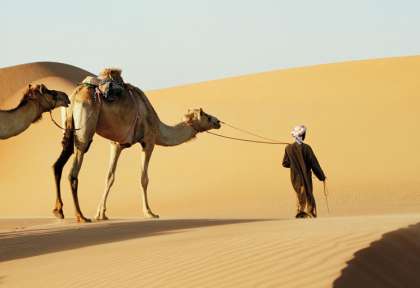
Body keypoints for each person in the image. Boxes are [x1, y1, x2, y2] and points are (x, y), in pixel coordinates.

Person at [282, 125, 326, 218]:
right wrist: (321, 176)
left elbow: (285, 163)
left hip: (295, 178)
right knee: (307, 193)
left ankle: (301, 212)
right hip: (306, 177)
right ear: (303, 135)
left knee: (300, 193)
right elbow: (314, 164)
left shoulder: (288, 148)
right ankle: (307, 212)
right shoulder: (307, 148)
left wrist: (293, 163)